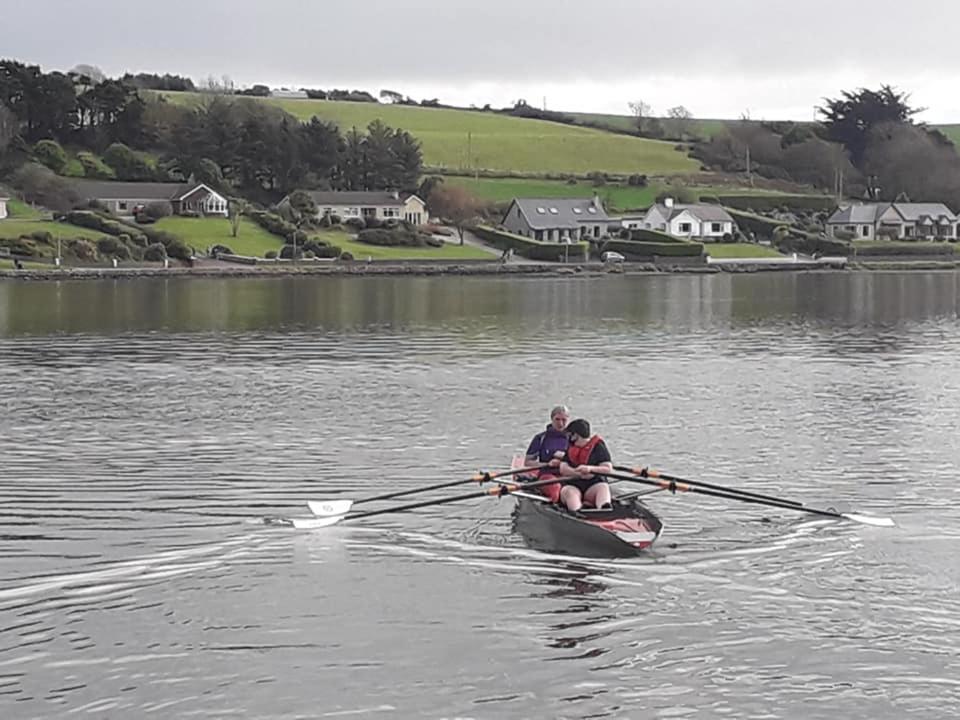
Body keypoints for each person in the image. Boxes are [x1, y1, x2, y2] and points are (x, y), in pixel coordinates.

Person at [557, 418, 613, 512]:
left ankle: (604, 509)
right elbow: (563, 468)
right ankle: (579, 511)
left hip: (592, 486)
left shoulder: (598, 447)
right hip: (573, 485)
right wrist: (578, 473)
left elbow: (607, 469)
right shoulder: (571, 447)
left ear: (575, 435)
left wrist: (590, 469)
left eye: (569, 434)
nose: (568, 437)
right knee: (570, 493)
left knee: (603, 487)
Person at [524, 405, 571, 503]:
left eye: (564, 420)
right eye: (557, 419)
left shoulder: (573, 439)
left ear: (568, 420)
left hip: (569, 474)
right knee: (555, 490)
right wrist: (547, 464)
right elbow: (528, 462)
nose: (560, 423)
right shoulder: (540, 438)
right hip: (547, 475)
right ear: (551, 419)